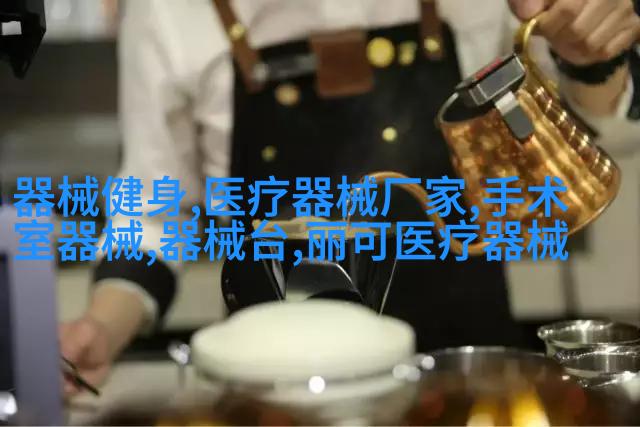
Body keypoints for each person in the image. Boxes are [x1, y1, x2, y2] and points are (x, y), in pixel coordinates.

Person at [60, 0, 640, 396]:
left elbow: (601, 125)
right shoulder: (167, 12)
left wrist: (593, 53)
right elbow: (153, 219)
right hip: (271, 395)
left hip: (466, 382)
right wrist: (100, 328)